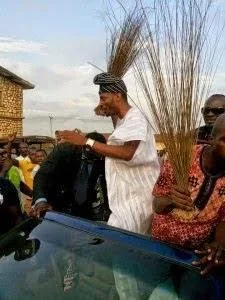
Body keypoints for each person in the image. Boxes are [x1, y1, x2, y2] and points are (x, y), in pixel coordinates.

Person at [58, 72, 160, 234]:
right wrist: (106, 109)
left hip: (137, 200)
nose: (100, 103)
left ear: (118, 96)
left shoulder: (136, 119)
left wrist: (86, 141)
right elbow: (117, 129)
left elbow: (128, 153)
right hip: (125, 200)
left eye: (103, 98)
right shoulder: (123, 120)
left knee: (121, 245)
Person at [151, 113, 225, 265]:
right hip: (163, 246)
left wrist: (218, 245)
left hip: (197, 253)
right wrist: (172, 199)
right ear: (211, 139)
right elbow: (157, 206)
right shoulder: (182, 157)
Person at [32, 132, 109, 221]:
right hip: (55, 207)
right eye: (96, 152)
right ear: (86, 147)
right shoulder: (64, 151)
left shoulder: (101, 160)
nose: (100, 156)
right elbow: (43, 174)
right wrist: (41, 201)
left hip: (83, 212)